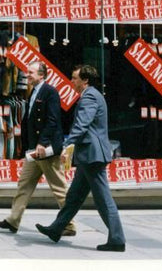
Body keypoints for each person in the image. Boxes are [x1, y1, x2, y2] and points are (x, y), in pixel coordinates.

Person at [35, 64, 126, 252]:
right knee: (74, 197)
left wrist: (68, 144)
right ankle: (56, 229)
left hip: (93, 155)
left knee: (103, 200)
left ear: (85, 80)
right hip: (88, 156)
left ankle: (117, 239)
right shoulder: (88, 95)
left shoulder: (90, 96)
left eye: (75, 78)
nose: (71, 81)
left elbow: (82, 124)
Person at [0, 60, 77, 237]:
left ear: (41, 75)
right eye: (27, 72)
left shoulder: (50, 92)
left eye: (31, 72)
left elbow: (53, 120)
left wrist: (42, 142)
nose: (27, 75)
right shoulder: (33, 92)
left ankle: (69, 225)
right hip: (35, 151)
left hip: (46, 151)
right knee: (24, 185)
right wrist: (27, 146)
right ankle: (13, 220)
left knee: (59, 189)